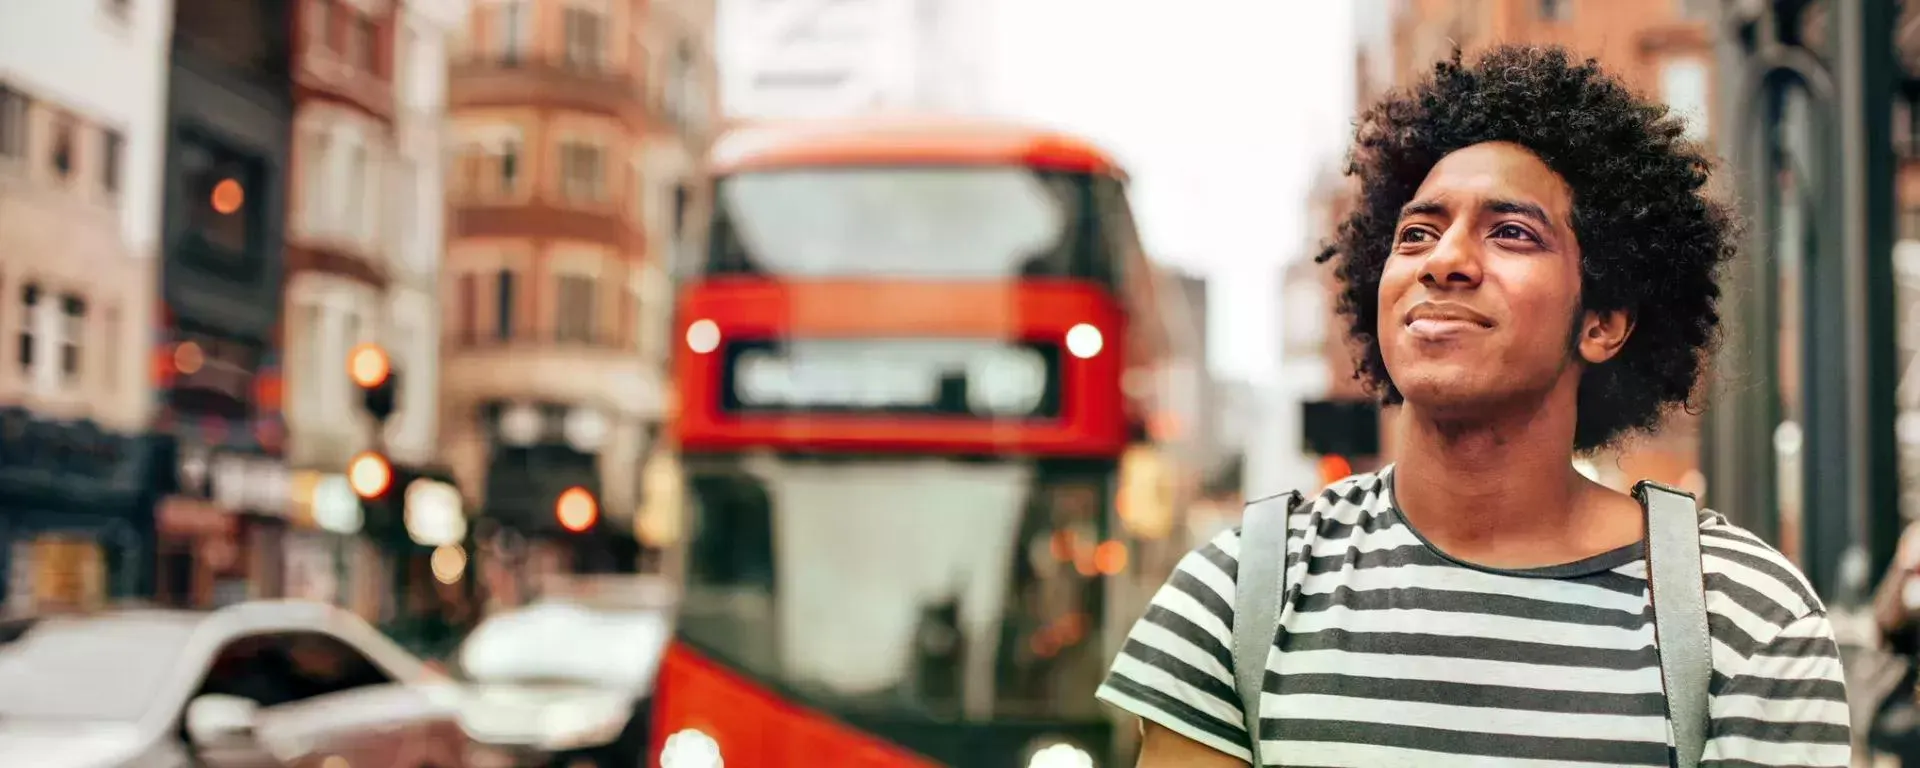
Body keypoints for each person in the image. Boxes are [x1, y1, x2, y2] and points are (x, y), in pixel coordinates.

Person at [1097, 45, 1852, 767]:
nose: (1445, 261)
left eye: (1512, 233)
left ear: (1603, 322)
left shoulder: (1748, 619)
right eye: (1417, 232)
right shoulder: (1237, 593)